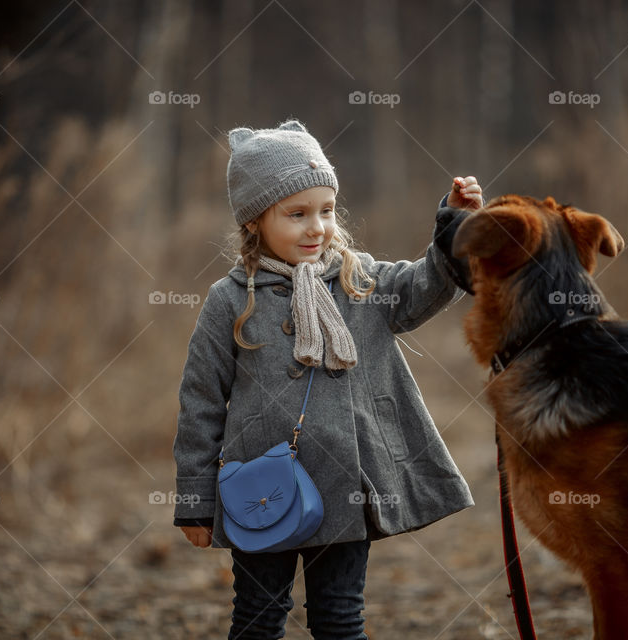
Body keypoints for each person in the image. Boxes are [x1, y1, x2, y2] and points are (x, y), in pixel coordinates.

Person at [173, 118, 484, 639]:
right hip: (261, 490)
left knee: (340, 618)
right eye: (296, 214)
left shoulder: (359, 280)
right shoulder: (229, 300)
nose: (316, 227)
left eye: (325, 210)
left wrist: (453, 225)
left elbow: (426, 286)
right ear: (254, 221)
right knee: (257, 617)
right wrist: (193, 500)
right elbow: (201, 402)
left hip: (347, 489)